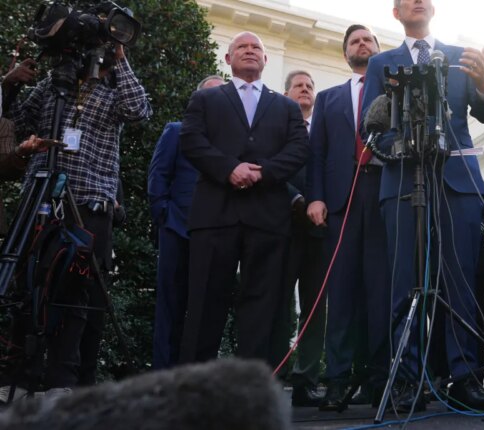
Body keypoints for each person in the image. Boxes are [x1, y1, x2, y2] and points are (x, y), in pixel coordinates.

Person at [361, 0, 484, 412]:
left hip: (457, 184)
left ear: (433, 8)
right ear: (396, 13)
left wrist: (483, 83)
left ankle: (465, 378)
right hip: (403, 182)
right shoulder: (380, 63)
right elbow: (371, 127)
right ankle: (408, 381)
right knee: (404, 284)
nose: (416, 1)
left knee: (460, 284)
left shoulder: (462, 57)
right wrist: (402, 147)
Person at [5, 44, 151, 392]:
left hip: (90, 203)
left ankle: (61, 381)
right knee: (26, 285)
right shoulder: (53, 86)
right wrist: (9, 84)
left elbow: (139, 110)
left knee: (76, 294)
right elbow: (19, 122)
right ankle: (19, 375)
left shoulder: (115, 88)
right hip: (40, 193)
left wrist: (120, 57)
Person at [178, 32, 308, 366]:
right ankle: (195, 391)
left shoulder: (287, 106)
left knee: (261, 309)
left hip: (267, 218)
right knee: (205, 304)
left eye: (256, 48)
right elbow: (191, 140)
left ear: (266, 60)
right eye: (242, 47)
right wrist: (229, 169)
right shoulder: (206, 100)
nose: (250, 51)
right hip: (215, 215)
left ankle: (247, 395)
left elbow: (298, 150)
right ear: (228, 59)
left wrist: (263, 173)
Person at [306, 24, 390, 411]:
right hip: (340, 202)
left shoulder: (396, 93)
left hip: (384, 197)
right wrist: (316, 198)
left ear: (379, 51)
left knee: (381, 291)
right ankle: (336, 380)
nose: (362, 45)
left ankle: (378, 379)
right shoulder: (328, 98)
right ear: (346, 53)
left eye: (368, 40)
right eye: (355, 41)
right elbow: (317, 154)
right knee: (340, 295)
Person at [148, 75, 225, 370]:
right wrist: (165, 217)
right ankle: (163, 375)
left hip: (217, 236)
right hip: (177, 230)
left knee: (208, 309)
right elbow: (158, 179)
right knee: (171, 306)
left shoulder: (232, 144)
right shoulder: (176, 132)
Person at [276, 69, 328, 407]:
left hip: (320, 231)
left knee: (316, 307)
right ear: (286, 94)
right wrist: (295, 199)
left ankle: (306, 378)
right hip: (282, 226)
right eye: (299, 85)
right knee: (279, 304)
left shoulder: (323, 132)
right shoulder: (274, 127)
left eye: (310, 85)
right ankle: (275, 374)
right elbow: (268, 169)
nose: (306, 89)